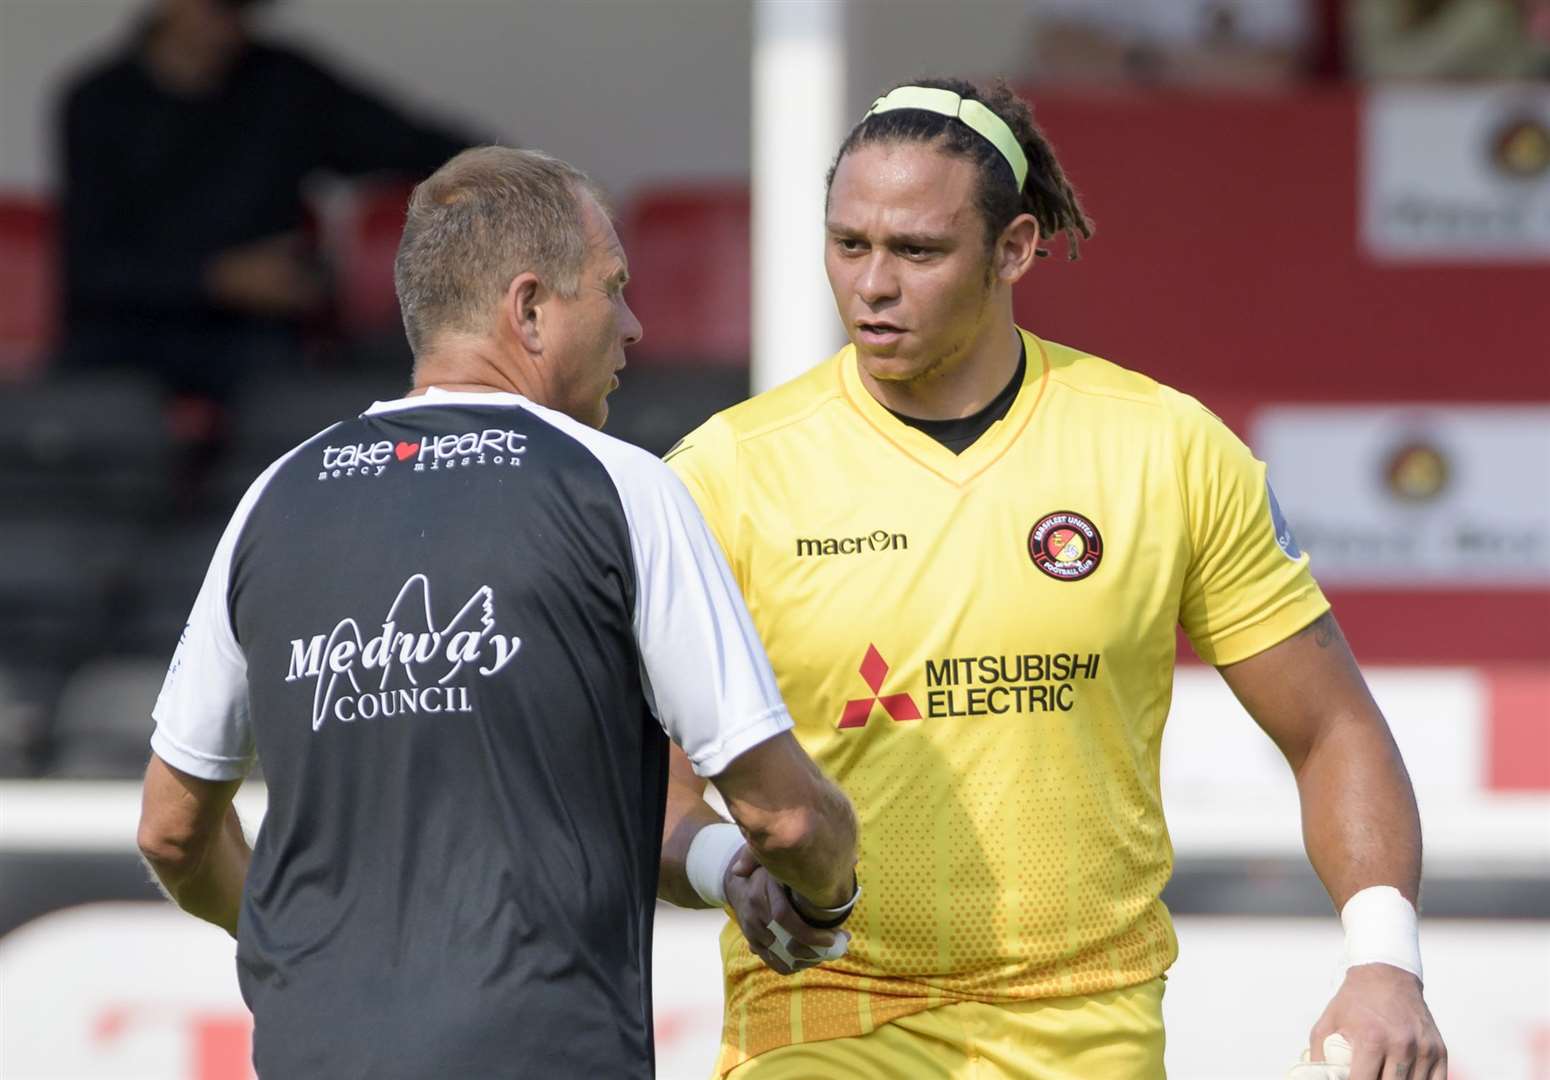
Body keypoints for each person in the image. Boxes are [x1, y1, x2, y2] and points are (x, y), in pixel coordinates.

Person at [657, 78, 1447, 1079]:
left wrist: (1384, 963)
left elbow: (1330, 729)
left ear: (1015, 248)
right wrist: (727, 871)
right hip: (821, 1021)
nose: (871, 285)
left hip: (1087, 1028)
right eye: (847, 244)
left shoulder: (1162, 449)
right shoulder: (726, 473)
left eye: (916, 251)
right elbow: (649, 783)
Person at [135, 146, 859, 1079]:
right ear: (528, 308)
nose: (635, 325)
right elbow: (791, 823)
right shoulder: (621, 489)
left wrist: (305, 951)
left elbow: (170, 828)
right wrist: (830, 899)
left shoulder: (273, 497)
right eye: (612, 288)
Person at [56, 0, 477, 403]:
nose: (225, 25)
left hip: (255, 342)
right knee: (95, 424)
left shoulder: (286, 85)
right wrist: (221, 278)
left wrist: (503, 178)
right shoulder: (98, 101)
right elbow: (91, 270)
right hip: (122, 337)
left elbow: (419, 145)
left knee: (307, 417)